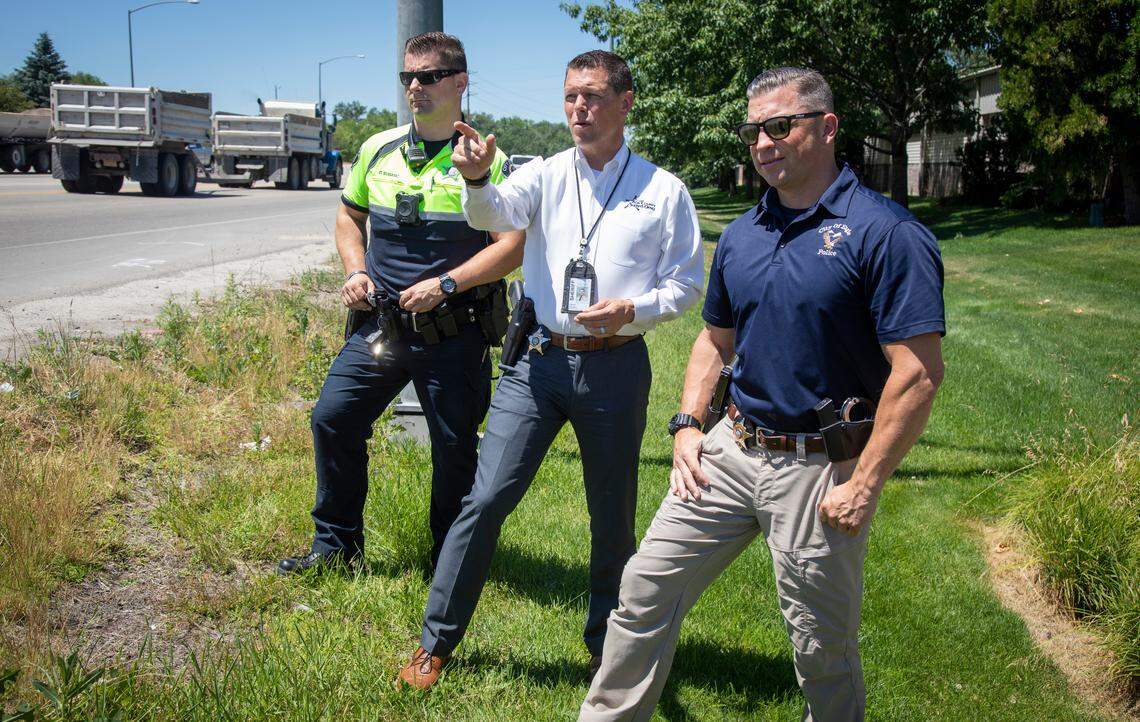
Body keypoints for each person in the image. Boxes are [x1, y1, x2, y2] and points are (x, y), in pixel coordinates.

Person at [580, 67, 946, 721]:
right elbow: (714, 340)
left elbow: (916, 374)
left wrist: (863, 484)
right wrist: (689, 423)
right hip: (730, 450)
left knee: (820, 647)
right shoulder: (745, 233)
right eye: (753, 131)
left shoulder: (886, 233)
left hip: (820, 468)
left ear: (827, 128)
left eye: (780, 126)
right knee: (642, 590)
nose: (763, 143)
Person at [396, 50, 705, 689]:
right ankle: (435, 641)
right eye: (569, 96)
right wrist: (476, 180)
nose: (578, 108)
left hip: (615, 367)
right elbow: (493, 216)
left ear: (625, 103)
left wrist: (634, 309)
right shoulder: (544, 173)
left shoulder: (663, 191)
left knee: (612, 513)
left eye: (592, 96)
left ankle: (605, 647)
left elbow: (686, 285)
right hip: (537, 364)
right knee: (485, 498)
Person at [277, 32, 525, 575]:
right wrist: (356, 270)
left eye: (429, 76)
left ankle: (449, 564)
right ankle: (336, 550)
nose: (415, 86)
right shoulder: (378, 149)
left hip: (454, 331)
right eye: (407, 76)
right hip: (381, 328)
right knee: (333, 419)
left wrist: (448, 284)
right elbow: (349, 217)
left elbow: (511, 246)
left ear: (460, 82)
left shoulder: (487, 161)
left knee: (454, 449)